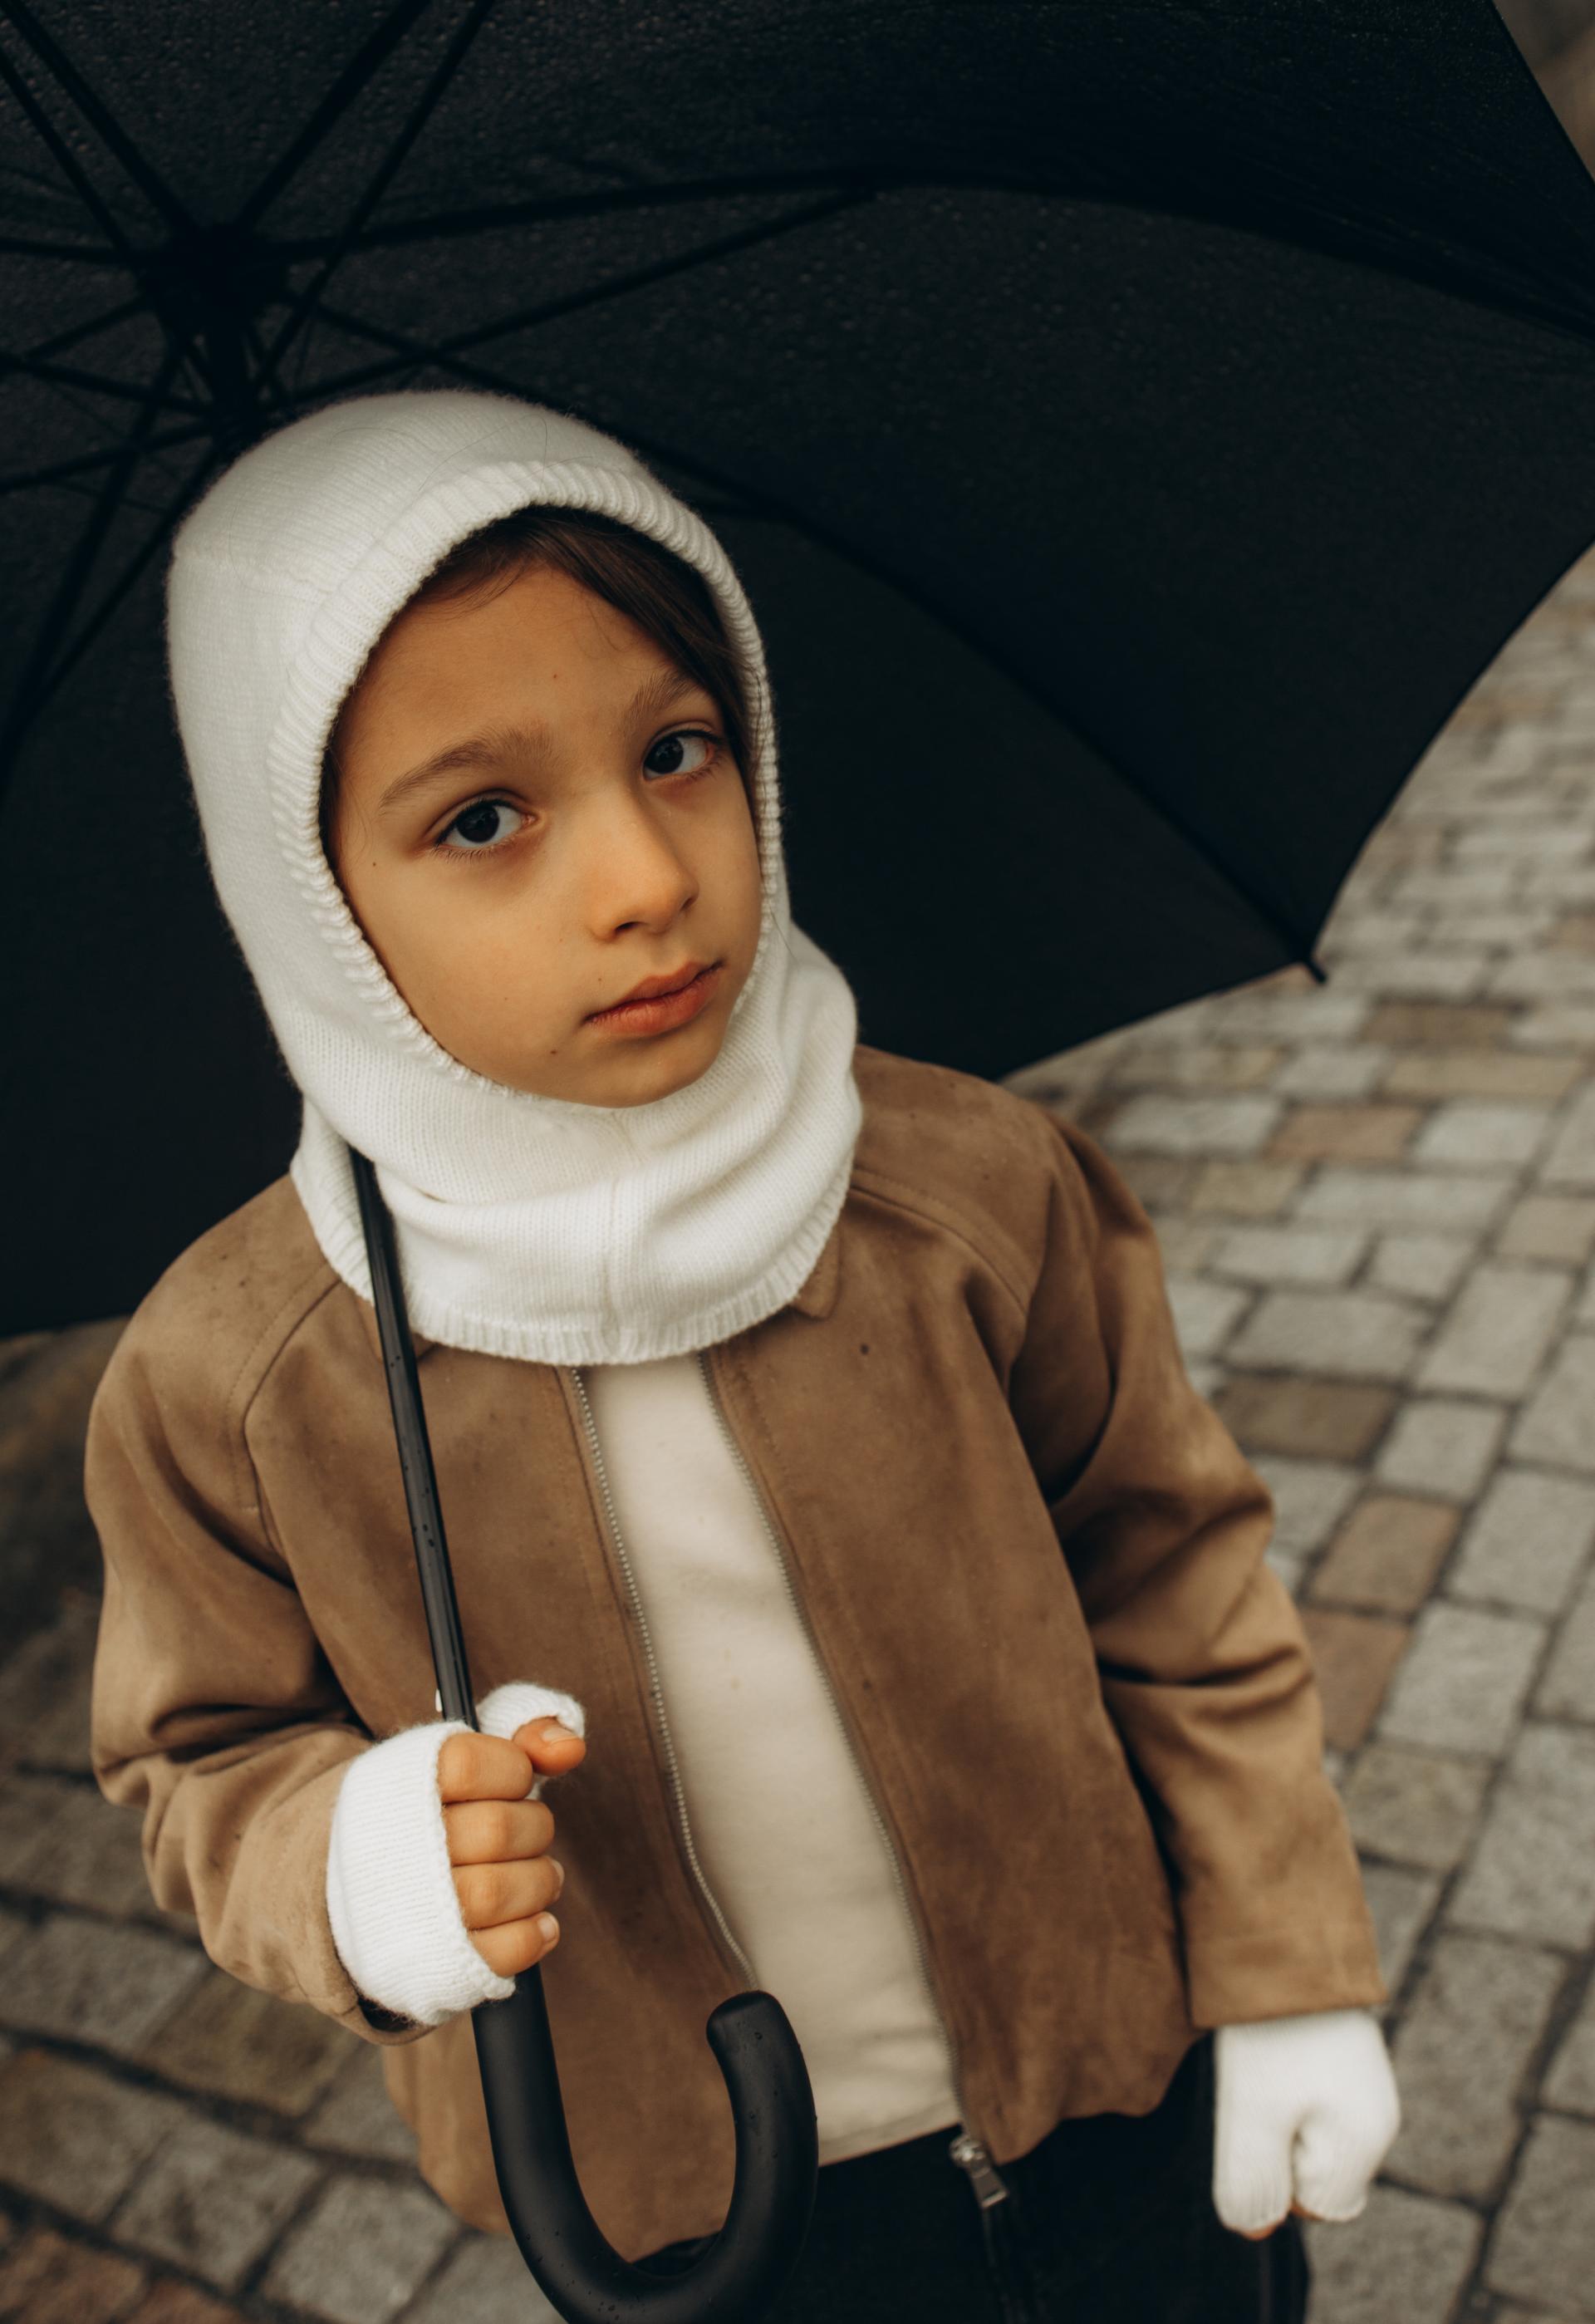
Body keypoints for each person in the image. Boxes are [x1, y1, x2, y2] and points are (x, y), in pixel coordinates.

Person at [85, 386, 1400, 2322]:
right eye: (482, 817)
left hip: (1121, 2085)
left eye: (677, 748)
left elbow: (1172, 1568)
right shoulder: (240, 1378)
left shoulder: (968, 1186)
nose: (645, 874)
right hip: (700, 2219)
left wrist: (1284, 1967)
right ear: (308, 901)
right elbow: (198, 1755)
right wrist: (347, 1862)